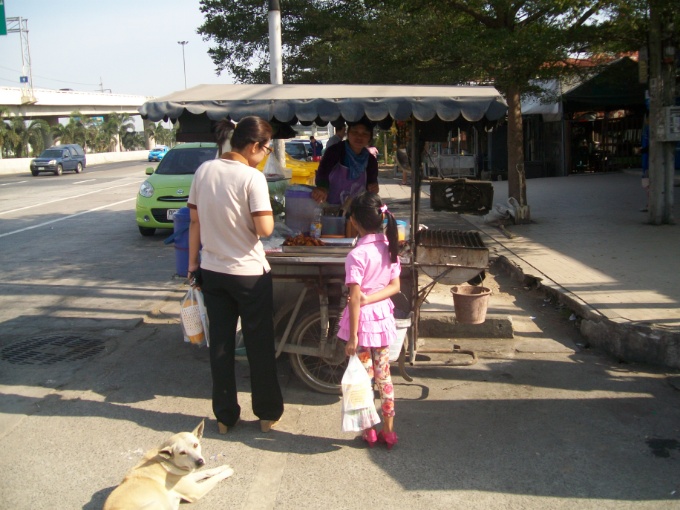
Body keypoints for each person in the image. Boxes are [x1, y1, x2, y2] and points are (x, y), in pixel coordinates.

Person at [187, 116, 284, 435]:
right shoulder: (251, 178)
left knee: (221, 345)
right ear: (255, 146)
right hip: (249, 275)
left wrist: (192, 268)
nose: (265, 154)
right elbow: (265, 229)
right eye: (267, 148)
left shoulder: (204, 171)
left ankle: (225, 416)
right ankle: (267, 414)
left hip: (212, 271)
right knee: (259, 346)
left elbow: (195, 223)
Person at [338, 192, 401, 449]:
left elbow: (354, 299)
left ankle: (369, 431)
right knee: (384, 377)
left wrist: (352, 337)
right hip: (383, 319)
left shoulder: (357, 255)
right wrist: (373, 298)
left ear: (354, 221)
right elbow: (395, 287)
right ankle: (389, 431)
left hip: (362, 327)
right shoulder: (389, 247)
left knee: (363, 380)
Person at [311, 119, 379, 206]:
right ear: (348, 133)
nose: (359, 137)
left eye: (364, 134)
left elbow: (372, 184)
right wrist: (322, 188)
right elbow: (322, 173)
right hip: (331, 208)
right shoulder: (335, 151)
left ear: (369, 138)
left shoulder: (371, 161)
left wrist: (374, 188)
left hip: (357, 211)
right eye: (355, 132)